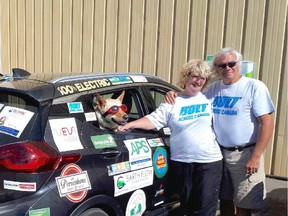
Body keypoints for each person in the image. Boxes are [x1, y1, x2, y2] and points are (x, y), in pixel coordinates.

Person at [165, 47, 275, 216]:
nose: (227, 68)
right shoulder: (214, 89)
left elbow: (267, 124)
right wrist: (174, 94)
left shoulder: (254, 87)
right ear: (216, 68)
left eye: (231, 63)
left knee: (244, 202)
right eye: (221, 65)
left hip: (245, 154)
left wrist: (255, 156)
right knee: (224, 199)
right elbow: (191, 96)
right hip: (218, 153)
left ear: (238, 64)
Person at [118, 59, 223, 216]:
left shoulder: (209, 98)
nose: (198, 81)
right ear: (186, 77)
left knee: (205, 206)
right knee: (186, 205)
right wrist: (129, 125)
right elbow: (153, 120)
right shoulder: (173, 101)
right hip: (182, 161)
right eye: (195, 76)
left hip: (209, 161)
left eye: (202, 78)